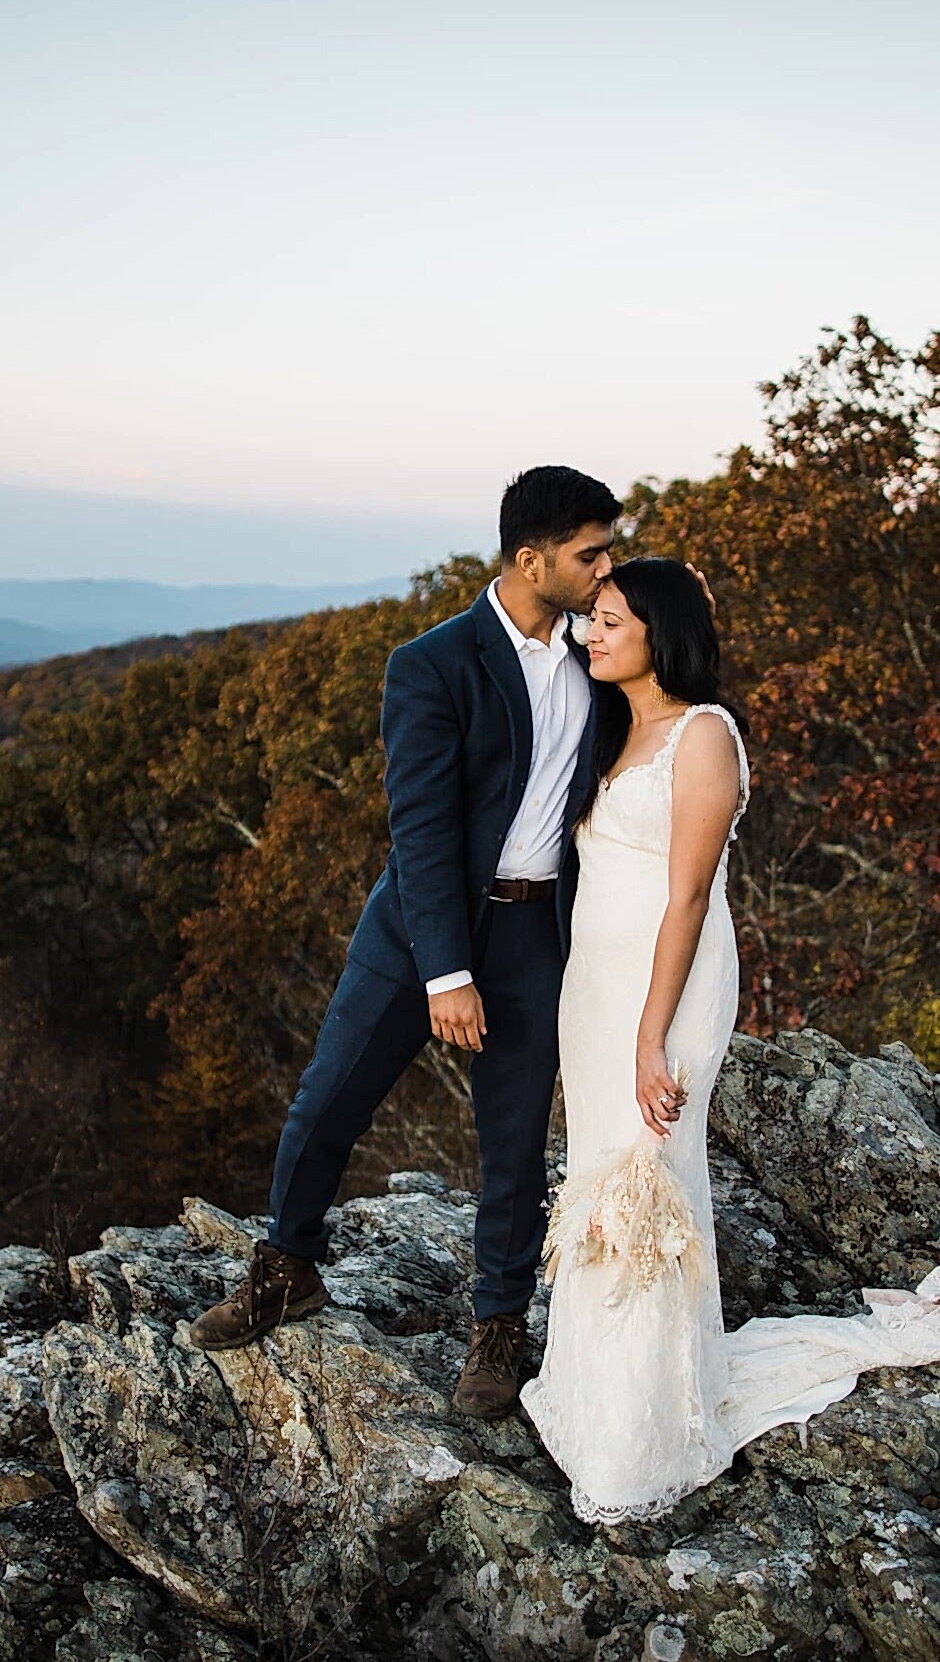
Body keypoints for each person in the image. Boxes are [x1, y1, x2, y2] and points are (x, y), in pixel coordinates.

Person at [516, 555, 940, 1524]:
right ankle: (594, 1393)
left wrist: (648, 1037)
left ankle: (645, 1434)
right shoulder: (617, 729)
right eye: (594, 620)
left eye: (614, 620)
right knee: (600, 1170)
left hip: (664, 990)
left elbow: (687, 895)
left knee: (645, 1175)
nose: (594, 634)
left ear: (659, 632)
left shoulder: (705, 736)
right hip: (594, 989)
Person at [186, 464, 619, 1419]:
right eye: (591, 554)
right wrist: (445, 971)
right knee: (326, 1103)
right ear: (530, 557)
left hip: (539, 936)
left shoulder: (605, 655)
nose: (606, 570)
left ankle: (499, 1329)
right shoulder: (432, 663)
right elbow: (418, 827)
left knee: (512, 1147)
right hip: (423, 931)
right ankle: (285, 1264)